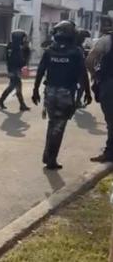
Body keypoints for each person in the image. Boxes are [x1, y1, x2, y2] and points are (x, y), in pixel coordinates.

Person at [32, 21, 87, 170]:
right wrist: (87, 93)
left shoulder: (50, 51)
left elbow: (40, 71)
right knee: (59, 127)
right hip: (66, 93)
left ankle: (47, 154)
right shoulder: (76, 52)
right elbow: (83, 74)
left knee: (52, 123)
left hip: (49, 92)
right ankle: (51, 159)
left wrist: (35, 90)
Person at [87, 16, 113, 163]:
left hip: (109, 84)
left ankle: (110, 153)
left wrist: (95, 75)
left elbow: (89, 60)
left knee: (111, 120)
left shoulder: (106, 40)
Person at [0, 30, 32, 111]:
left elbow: (8, 59)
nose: (24, 40)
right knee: (16, 86)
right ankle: (20, 105)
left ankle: (1, 101)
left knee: (13, 86)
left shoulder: (11, 46)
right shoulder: (17, 48)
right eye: (23, 38)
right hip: (15, 70)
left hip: (11, 69)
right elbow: (20, 60)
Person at [75, 29, 92, 109]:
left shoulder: (76, 46)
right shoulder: (78, 47)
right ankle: (77, 101)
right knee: (81, 86)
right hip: (78, 71)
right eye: (83, 38)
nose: (84, 40)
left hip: (72, 71)